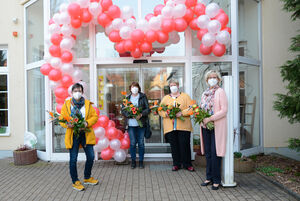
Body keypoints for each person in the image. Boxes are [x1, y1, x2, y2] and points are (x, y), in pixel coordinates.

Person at [60, 83, 99, 191]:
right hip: (73, 135)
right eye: (75, 91)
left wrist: (86, 123)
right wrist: (67, 124)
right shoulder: (67, 104)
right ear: (72, 93)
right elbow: (62, 118)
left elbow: (94, 117)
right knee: (73, 159)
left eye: (79, 91)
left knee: (91, 157)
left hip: (86, 133)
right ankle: (75, 181)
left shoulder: (87, 104)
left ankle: (87, 177)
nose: (77, 93)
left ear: (82, 92)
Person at [199, 70, 228, 190]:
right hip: (206, 126)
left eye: (214, 77)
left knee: (216, 153)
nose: (212, 79)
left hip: (216, 126)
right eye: (210, 77)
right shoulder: (204, 93)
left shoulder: (220, 92)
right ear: (206, 80)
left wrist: (210, 118)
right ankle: (208, 177)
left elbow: (224, 110)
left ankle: (217, 180)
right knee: (209, 153)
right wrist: (201, 117)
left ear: (218, 79)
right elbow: (201, 108)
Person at [158, 79, 195, 172]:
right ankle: (176, 164)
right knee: (174, 146)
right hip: (170, 127)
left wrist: (181, 113)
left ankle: (187, 164)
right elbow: (160, 110)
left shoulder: (185, 96)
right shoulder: (166, 98)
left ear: (178, 86)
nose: (173, 87)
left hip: (183, 126)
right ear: (169, 87)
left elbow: (192, 108)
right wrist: (166, 114)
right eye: (171, 85)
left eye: (174, 85)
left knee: (185, 145)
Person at [122, 82, 150, 169]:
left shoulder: (143, 96)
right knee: (133, 143)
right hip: (131, 125)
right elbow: (123, 111)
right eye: (133, 87)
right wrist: (131, 115)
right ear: (130, 89)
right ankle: (133, 161)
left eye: (136, 87)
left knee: (141, 143)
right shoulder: (127, 98)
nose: (134, 89)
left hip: (141, 124)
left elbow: (148, 109)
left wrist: (141, 114)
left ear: (138, 88)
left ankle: (141, 161)